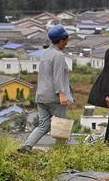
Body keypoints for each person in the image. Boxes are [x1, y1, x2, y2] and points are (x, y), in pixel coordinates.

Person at [19, 25, 74, 153]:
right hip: (55, 98)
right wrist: (61, 94)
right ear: (61, 40)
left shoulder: (46, 54)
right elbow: (58, 76)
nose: (67, 42)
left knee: (43, 125)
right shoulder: (59, 56)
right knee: (60, 126)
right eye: (66, 39)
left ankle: (26, 147)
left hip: (41, 96)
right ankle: (60, 154)